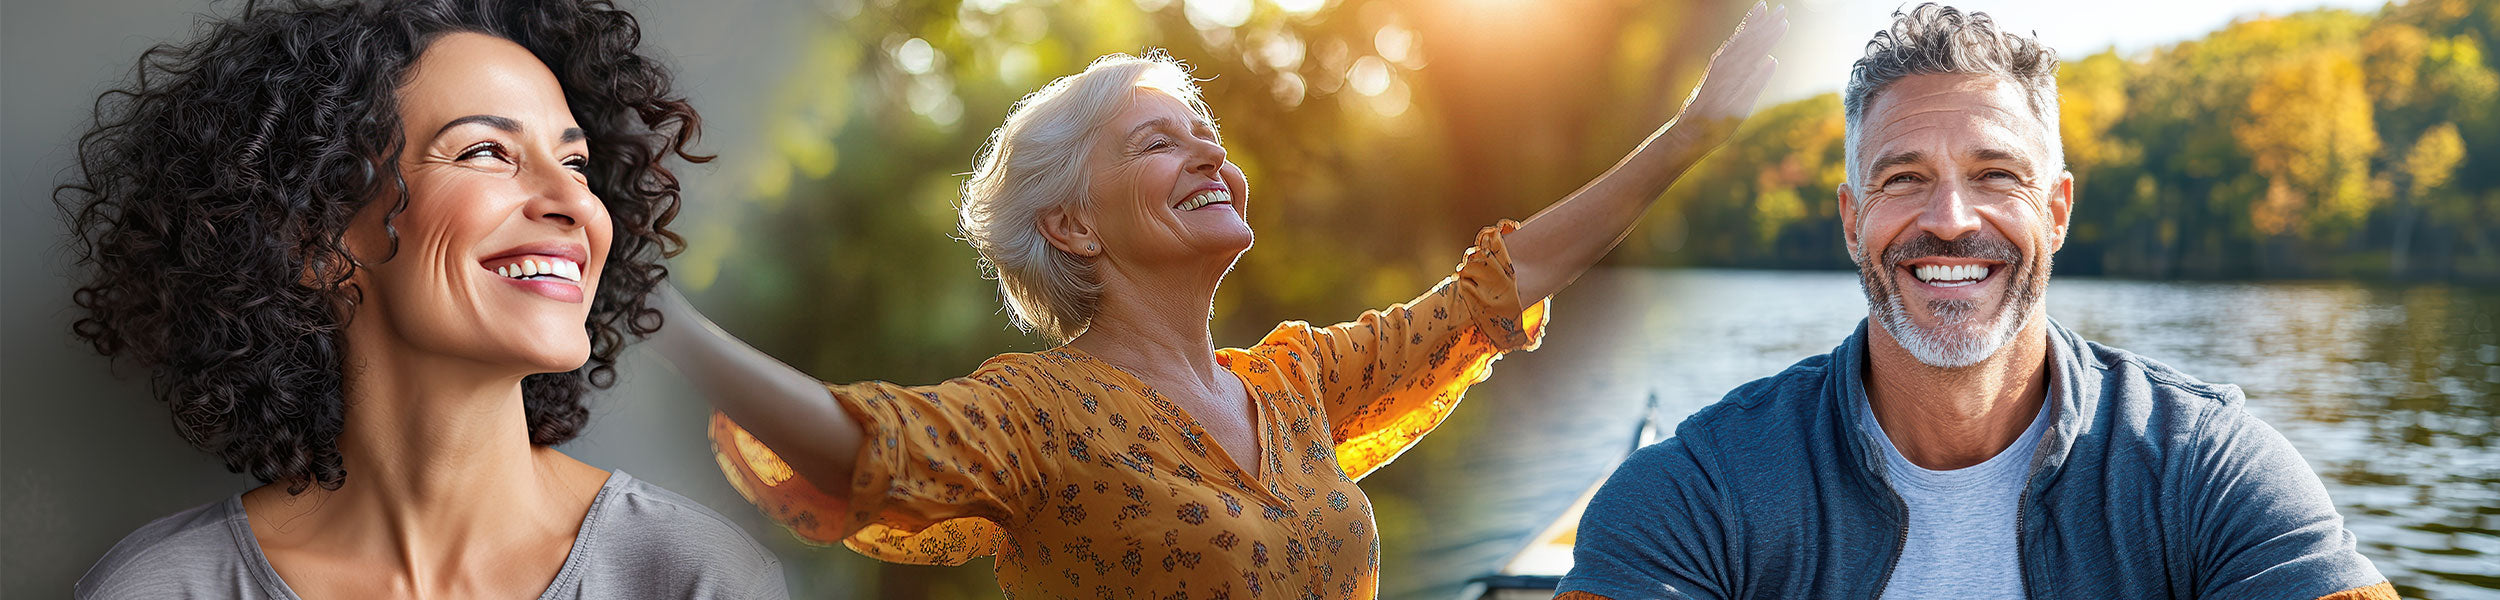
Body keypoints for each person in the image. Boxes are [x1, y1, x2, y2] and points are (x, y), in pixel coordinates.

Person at [655, 4, 1789, 598]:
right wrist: (661, 322)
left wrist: (1693, 133)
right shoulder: (1037, 413)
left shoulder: (1293, 383)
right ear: (1074, 226)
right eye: (1160, 141)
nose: (1211, 156)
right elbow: (865, 443)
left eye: (1209, 136)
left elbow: (1497, 286)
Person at [1554, 4, 2396, 600]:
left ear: (2057, 211)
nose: (1950, 221)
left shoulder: (2204, 471)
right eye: (1903, 178)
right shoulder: (1700, 492)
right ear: (1853, 222)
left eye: (1996, 175)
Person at [58, 1, 783, 597]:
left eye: (576, 164)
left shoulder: (694, 575)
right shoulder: (162, 589)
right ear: (316, 241)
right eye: (486, 152)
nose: (575, 203)